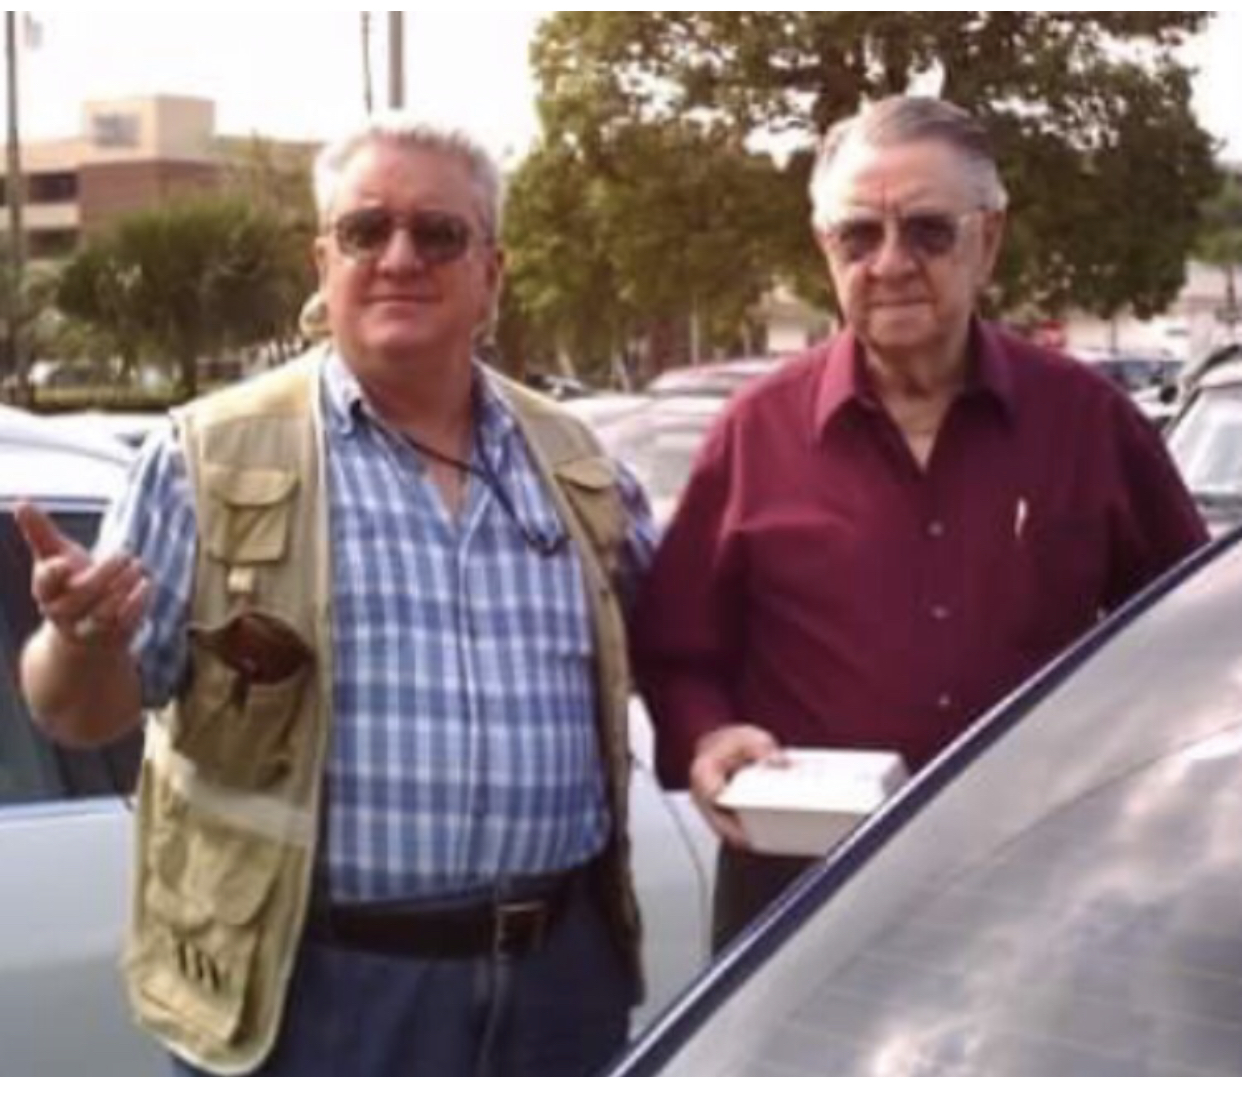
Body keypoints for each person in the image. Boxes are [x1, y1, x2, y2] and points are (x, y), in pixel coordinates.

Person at [18, 115, 654, 1076]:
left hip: (557, 986)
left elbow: (686, 647)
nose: (400, 257)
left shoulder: (579, 465)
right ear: (325, 261)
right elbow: (80, 713)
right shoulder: (207, 457)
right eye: (366, 231)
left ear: (492, 271)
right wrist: (79, 638)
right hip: (312, 995)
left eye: (438, 233)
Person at [631, 95, 1208, 952]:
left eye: (929, 231)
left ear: (990, 239)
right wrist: (709, 735)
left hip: (1043, 905)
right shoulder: (754, 435)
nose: (891, 263)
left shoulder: (1089, 422)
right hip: (802, 913)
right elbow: (679, 653)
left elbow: (1186, 648)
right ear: (826, 250)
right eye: (859, 236)